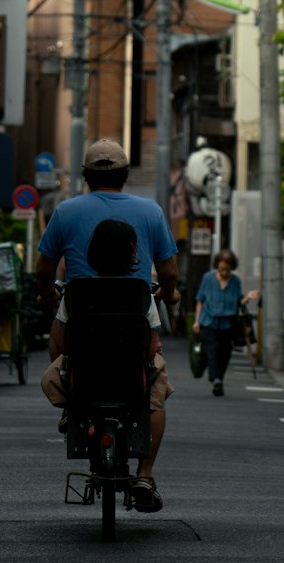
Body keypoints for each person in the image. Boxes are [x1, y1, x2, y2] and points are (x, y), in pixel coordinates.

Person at [36, 139, 180, 511]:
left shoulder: (66, 211)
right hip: (135, 325)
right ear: (125, 175)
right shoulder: (150, 212)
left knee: (60, 346)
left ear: (85, 177)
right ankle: (145, 475)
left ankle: (73, 402)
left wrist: (49, 296)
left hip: (80, 318)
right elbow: (169, 271)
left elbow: (44, 269)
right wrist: (171, 293)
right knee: (156, 389)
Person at [193, 249, 258, 396]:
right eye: (221, 269)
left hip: (228, 324)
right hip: (209, 321)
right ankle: (216, 379)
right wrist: (197, 321)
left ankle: (217, 378)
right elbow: (200, 301)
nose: (224, 273)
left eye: (227, 270)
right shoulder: (208, 278)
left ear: (232, 268)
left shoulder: (236, 282)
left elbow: (238, 302)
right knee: (212, 350)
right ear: (217, 266)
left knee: (225, 353)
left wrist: (248, 297)